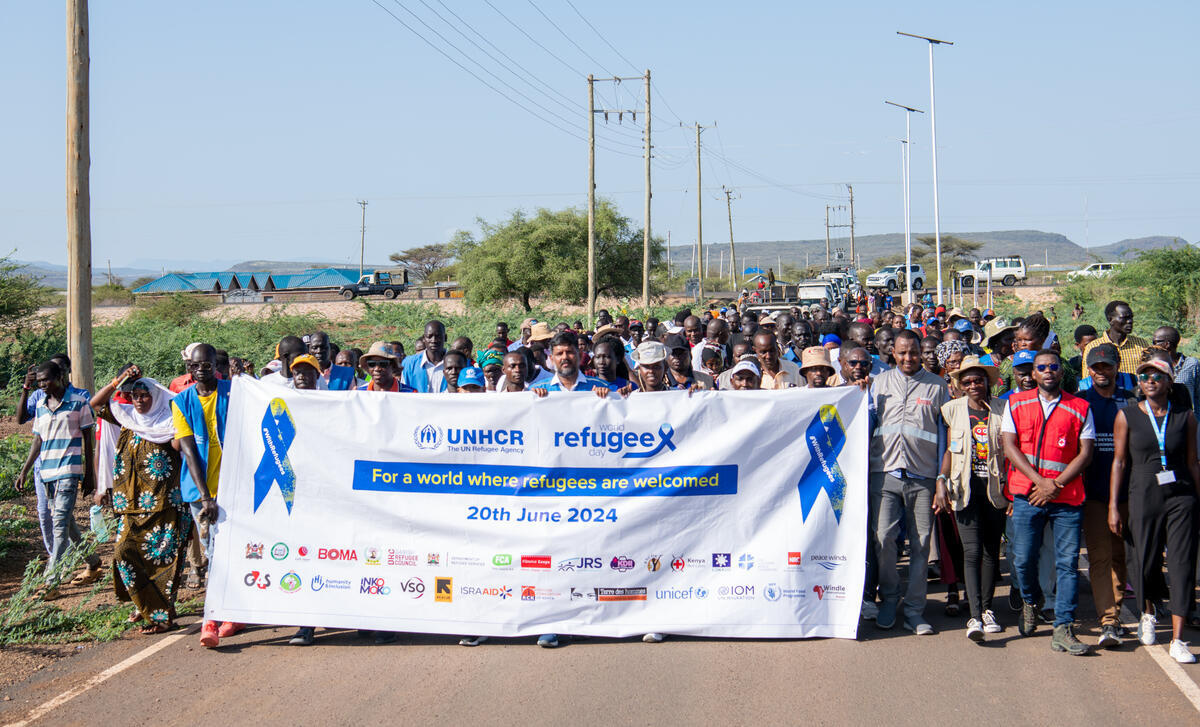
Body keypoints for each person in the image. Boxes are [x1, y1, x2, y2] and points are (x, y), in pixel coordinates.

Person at [1001, 349, 1094, 655]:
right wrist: (1039, 482)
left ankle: (1063, 627)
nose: (1048, 371)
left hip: (1066, 497)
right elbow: (1009, 446)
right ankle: (1030, 601)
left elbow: (1085, 452)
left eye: (1054, 366)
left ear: (1061, 371)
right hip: (1028, 494)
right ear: (1035, 373)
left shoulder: (1080, 406)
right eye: (1042, 367)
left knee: (1066, 564)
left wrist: (1055, 484)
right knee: (1023, 559)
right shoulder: (1016, 403)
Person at [1110, 357, 1200, 663]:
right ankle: (1147, 612)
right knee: (1144, 561)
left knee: (1181, 565)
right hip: (1143, 494)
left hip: (1181, 497)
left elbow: (1192, 462)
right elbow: (1119, 462)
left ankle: (1178, 638)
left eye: (1158, 376)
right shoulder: (1127, 415)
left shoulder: (1185, 416)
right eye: (1145, 375)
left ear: (1169, 382)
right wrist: (1113, 506)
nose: (1151, 380)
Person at [89, 365, 190, 633]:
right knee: (123, 554)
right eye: (134, 395)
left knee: (161, 564)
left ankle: (160, 616)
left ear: (156, 397)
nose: (139, 400)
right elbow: (95, 404)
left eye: (144, 396)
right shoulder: (126, 419)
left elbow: (185, 451)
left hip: (165, 505)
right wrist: (118, 381)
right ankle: (145, 605)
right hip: (129, 506)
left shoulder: (170, 423)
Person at [870, 330, 950, 635]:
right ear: (893, 351)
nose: (908, 358)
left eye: (913, 353)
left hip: (923, 475)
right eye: (902, 353)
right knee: (884, 539)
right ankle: (889, 598)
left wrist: (941, 478)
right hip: (885, 472)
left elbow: (945, 435)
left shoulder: (937, 386)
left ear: (922, 352)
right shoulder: (878, 383)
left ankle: (915, 610)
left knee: (920, 545)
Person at [14, 360, 103, 599]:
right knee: (65, 522)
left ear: (60, 378)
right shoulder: (41, 405)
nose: (42, 385)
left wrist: (89, 474)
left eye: (46, 380)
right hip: (47, 474)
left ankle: (51, 583)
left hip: (69, 471)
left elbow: (88, 438)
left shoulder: (78, 402)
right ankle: (93, 562)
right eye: (40, 381)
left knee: (59, 524)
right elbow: (38, 440)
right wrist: (24, 470)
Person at [938, 357, 1007, 641]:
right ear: (959, 386)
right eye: (966, 382)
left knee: (992, 551)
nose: (973, 385)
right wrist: (941, 480)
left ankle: (988, 609)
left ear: (987, 381)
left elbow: (1011, 450)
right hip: (965, 489)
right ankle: (975, 615)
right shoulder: (952, 410)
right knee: (972, 551)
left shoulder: (1003, 408)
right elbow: (952, 450)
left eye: (978, 380)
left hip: (995, 489)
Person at [170, 344, 227, 647]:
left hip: (234, 488)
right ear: (189, 370)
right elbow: (189, 450)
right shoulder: (181, 402)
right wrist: (206, 497)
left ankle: (229, 614)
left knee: (230, 553)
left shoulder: (234, 393)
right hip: (201, 493)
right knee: (213, 554)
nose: (202, 368)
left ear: (216, 364)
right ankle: (212, 619)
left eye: (207, 363)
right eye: (196, 364)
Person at [1077, 343, 1133, 648]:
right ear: (1089, 370)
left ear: (1117, 366)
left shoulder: (1133, 403)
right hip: (1095, 495)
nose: (1102, 372)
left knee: (1122, 556)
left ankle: (1119, 610)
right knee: (1100, 557)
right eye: (1096, 367)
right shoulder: (1081, 403)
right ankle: (1109, 620)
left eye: (1107, 366)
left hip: (1130, 494)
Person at [1082, 300, 1150, 379]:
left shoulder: (1141, 344)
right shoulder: (1093, 347)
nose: (1130, 321)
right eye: (1124, 318)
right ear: (1110, 319)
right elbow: (1087, 380)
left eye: (1131, 317)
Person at [1152, 326, 1200, 413]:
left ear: (1167, 344)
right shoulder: (1153, 366)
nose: (1153, 345)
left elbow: (1198, 397)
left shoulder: (1191, 365)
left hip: (1185, 419)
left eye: (1155, 342)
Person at [402, 321, 449, 392]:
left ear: (445, 338)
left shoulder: (457, 363)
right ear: (424, 338)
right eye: (429, 336)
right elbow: (403, 393)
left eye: (438, 336)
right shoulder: (409, 364)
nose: (434, 340)